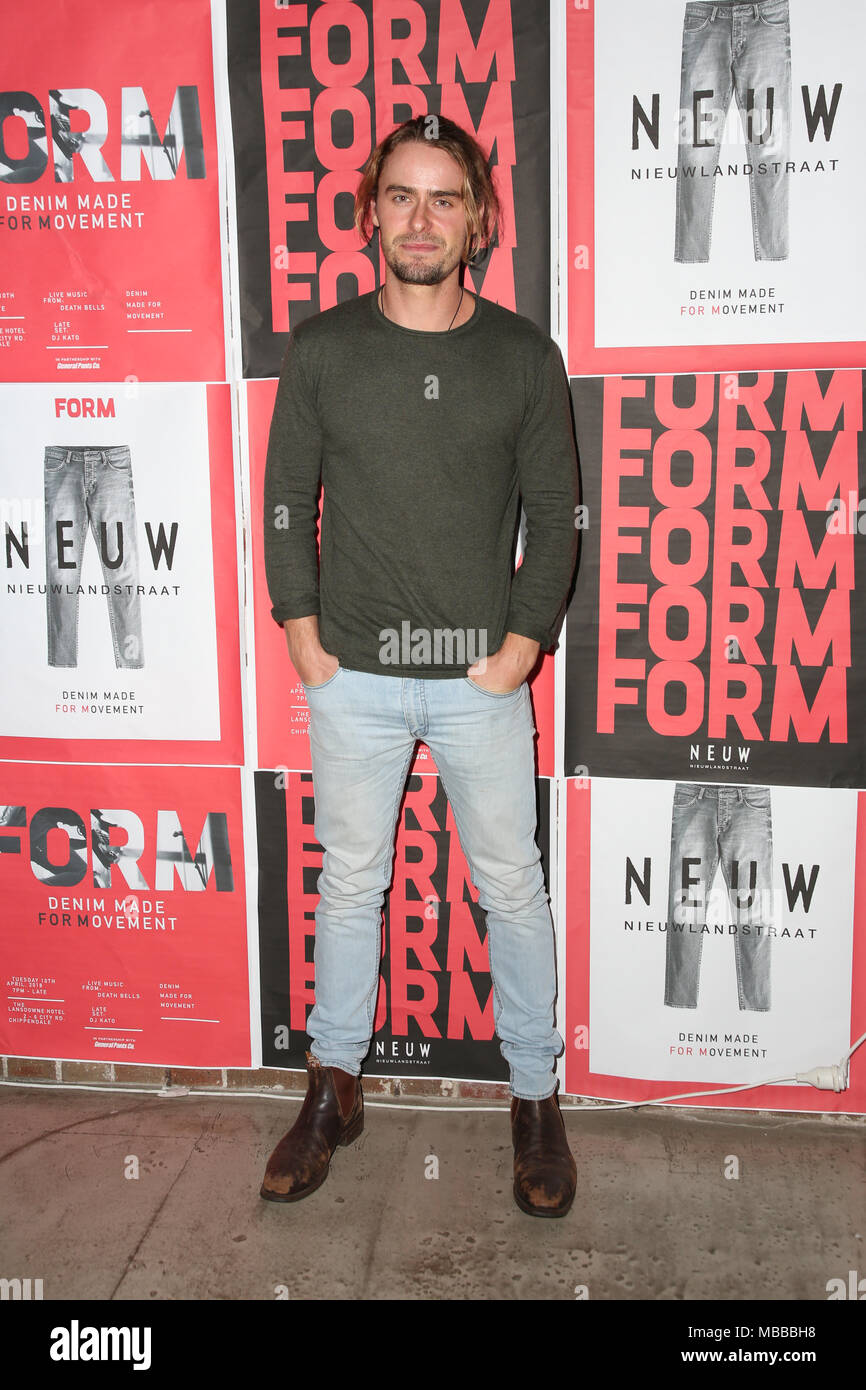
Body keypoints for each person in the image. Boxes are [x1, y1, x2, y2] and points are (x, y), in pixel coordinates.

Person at [261, 115, 579, 1217]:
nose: (421, 218)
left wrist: (519, 648)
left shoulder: (520, 357)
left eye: (445, 198)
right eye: (400, 195)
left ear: (478, 219)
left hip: (477, 681)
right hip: (350, 676)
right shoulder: (325, 348)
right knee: (349, 884)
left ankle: (533, 1100)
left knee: (511, 890)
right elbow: (280, 502)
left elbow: (556, 516)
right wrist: (301, 632)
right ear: (367, 215)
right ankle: (331, 1086)